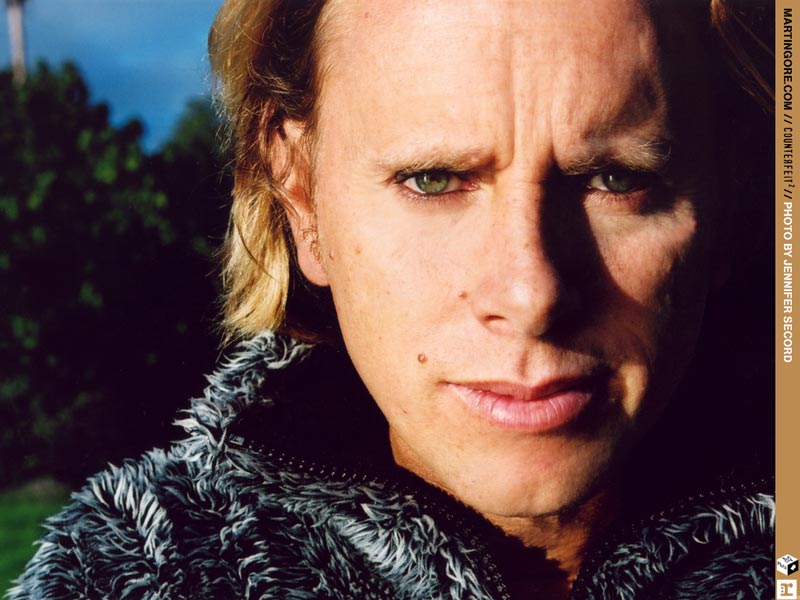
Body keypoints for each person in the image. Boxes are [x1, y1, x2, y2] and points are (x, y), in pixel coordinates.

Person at [9, 0, 774, 598]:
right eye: (434, 179)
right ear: (299, 193)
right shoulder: (136, 577)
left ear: (732, 192)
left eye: (615, 178)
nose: (531, 293)